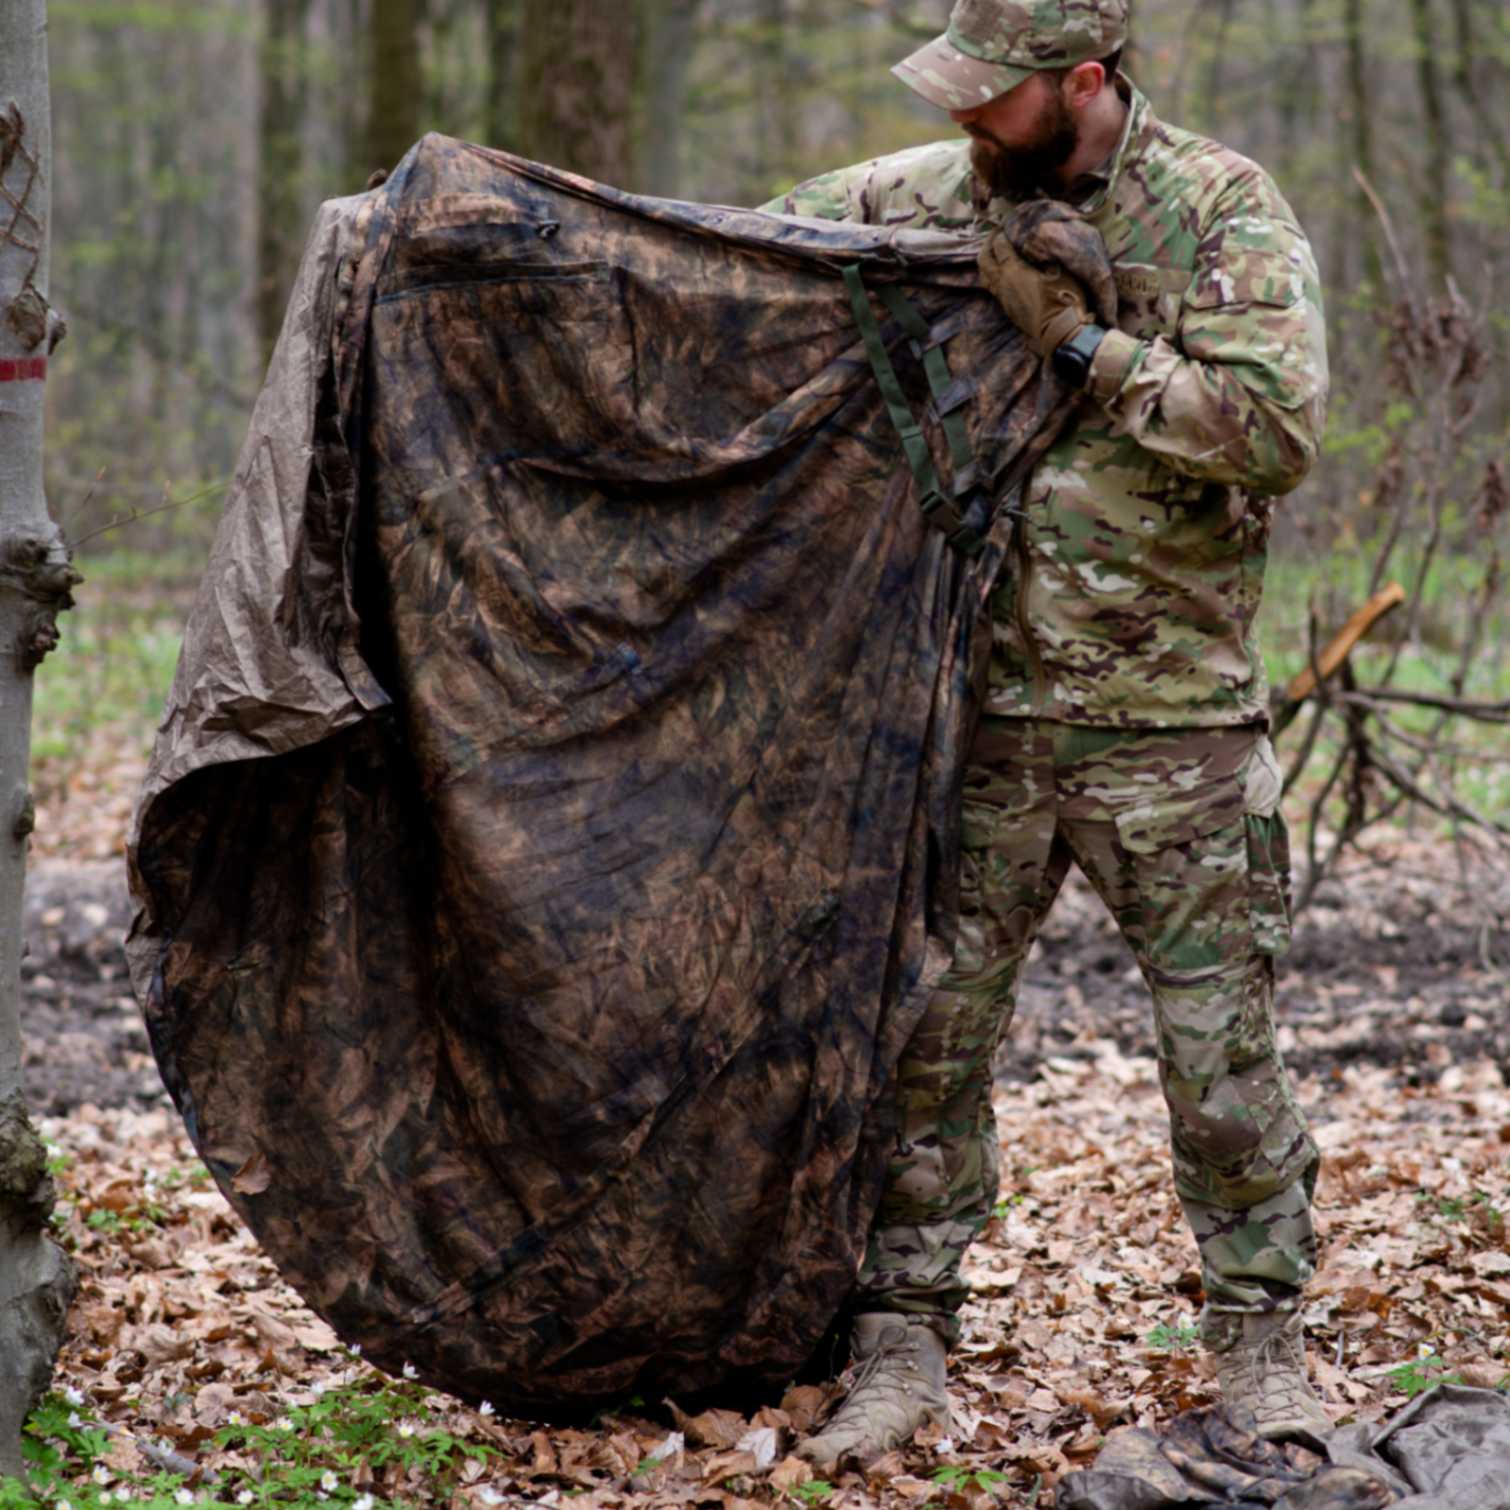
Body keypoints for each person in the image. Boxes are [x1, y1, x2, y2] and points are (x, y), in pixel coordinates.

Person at [761, 0, 1332, 1468]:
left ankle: (1260, 1343)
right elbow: (733, 255)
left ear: (1083, 81)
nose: (963, 116)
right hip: (975, 725)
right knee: (924, 1047)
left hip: (1173, 730)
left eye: (992, 93)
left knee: (1221, 1061)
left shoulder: (1218, 209)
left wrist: (1083, 347)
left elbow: (1273, 430)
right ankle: (898, 1339)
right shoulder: (920, 197)